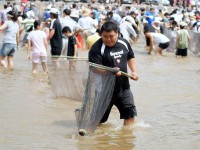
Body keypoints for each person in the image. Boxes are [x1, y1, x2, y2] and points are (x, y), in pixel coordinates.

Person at [89, 21, 138, 126]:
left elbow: (130, 57)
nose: (108, 39)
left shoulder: (124, 43)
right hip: (104, 90)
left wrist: (134, 71)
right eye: (105, 36)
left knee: (130, 115)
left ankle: (126, 140)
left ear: (118, 34)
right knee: (98, 121)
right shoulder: (96, 48)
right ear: (101, 35)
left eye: (111, 36)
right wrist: (110, 71)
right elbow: (94, 68)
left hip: (123, 88)